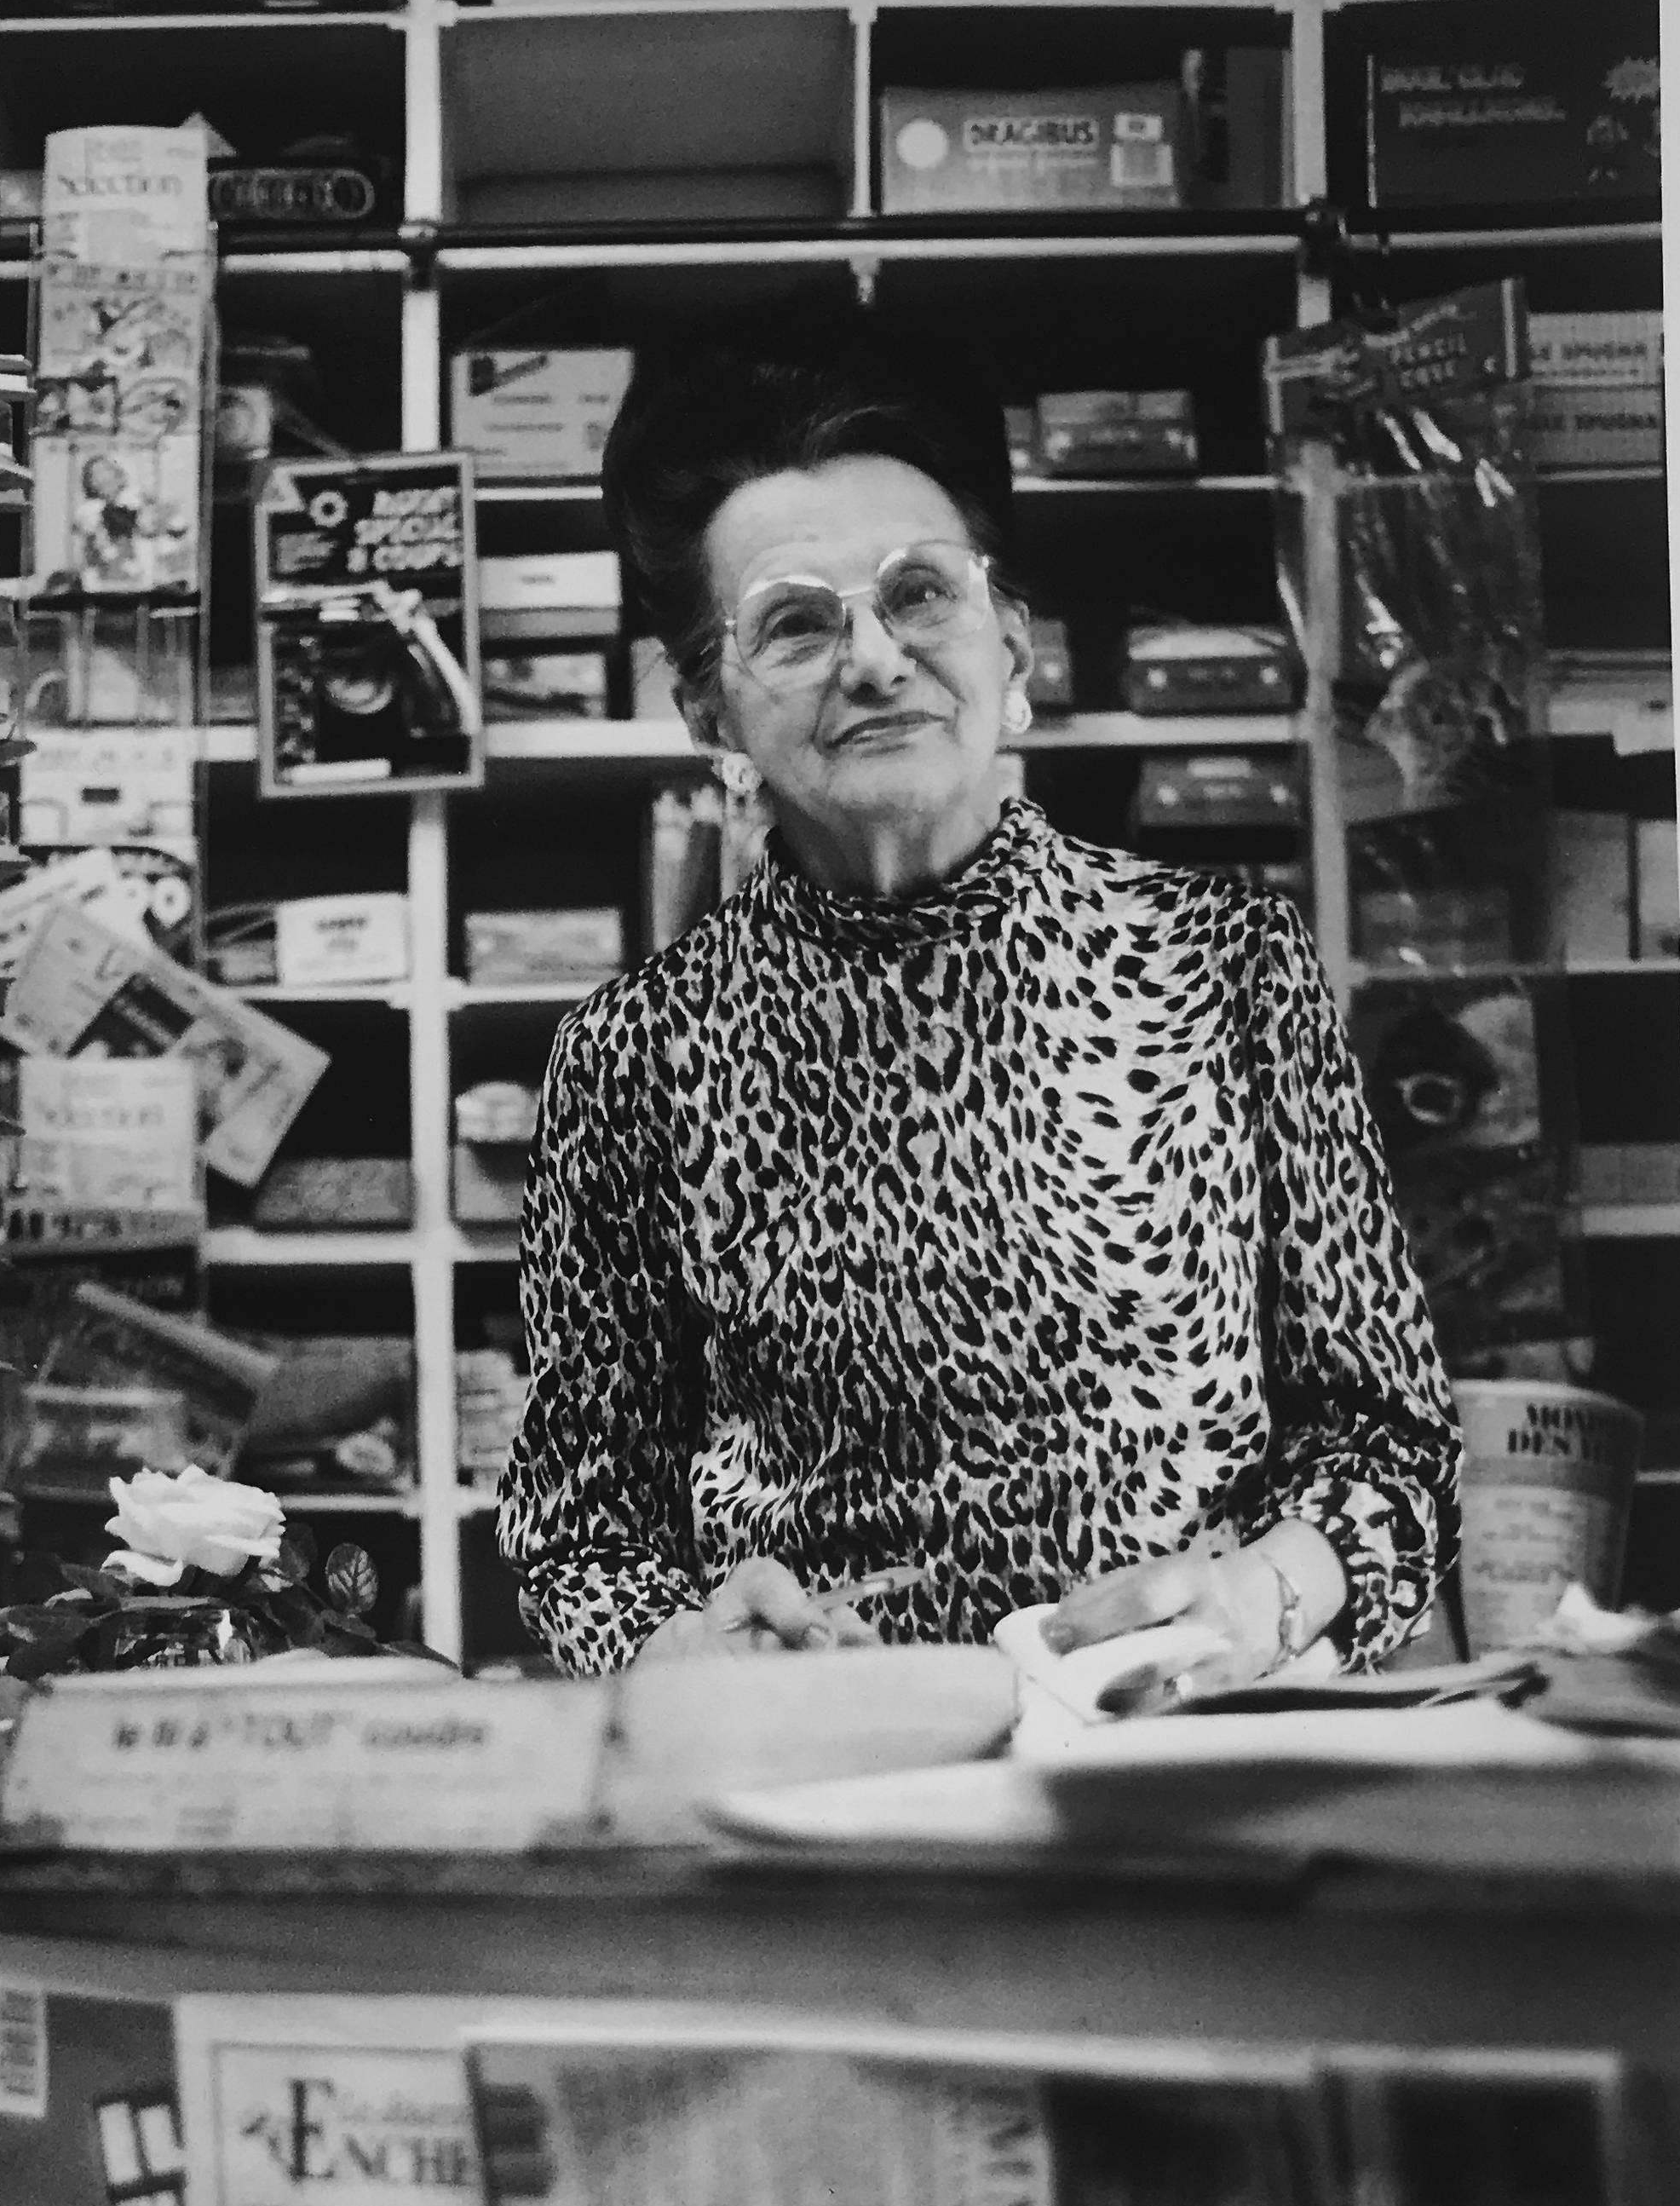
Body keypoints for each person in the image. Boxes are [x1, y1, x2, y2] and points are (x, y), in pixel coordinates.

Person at [495, 337, 1459, 1691]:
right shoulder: (634, 1057)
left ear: (1009, 644)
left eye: (918, 596)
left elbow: (1391, 1440)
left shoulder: (1226, 962)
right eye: (796, 623)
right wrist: (679, 1644)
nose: (877, 660)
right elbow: (578, 1531)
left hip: (1184, 1765)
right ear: (708, 704)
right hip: (832, 1789)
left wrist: (1263, 1599)